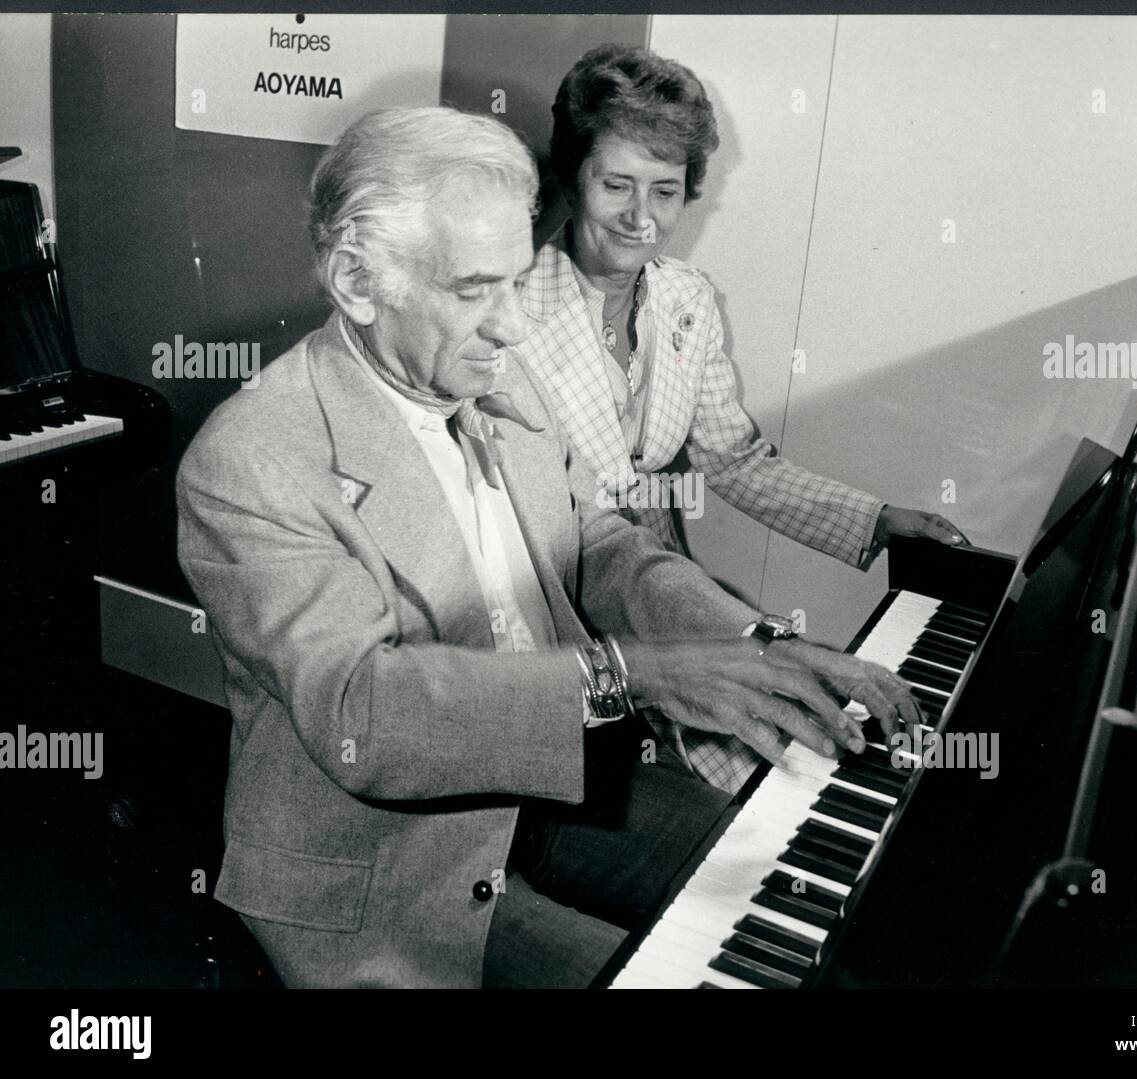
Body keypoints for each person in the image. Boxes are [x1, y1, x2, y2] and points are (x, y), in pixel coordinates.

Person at [176, 105, 925, 988]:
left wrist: (757, 642)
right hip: (393, 863)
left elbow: (600, 546)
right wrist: (628, 674)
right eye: (472, 290)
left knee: (828, 896)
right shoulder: (254, 456)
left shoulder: (495, 375)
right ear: (355, 280)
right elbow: (361, 716)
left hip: (560, 778)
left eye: (516, 282)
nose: (513, 325)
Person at [511, 43, 969, 794]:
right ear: (569, 178)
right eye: (615, 184)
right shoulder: (508, 310)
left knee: (775, 776)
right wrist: (749, 642)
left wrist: (878, 519)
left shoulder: (687, 300)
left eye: (665, 191)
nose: (641, 216)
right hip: (556, 613)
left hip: (660, 581)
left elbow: (735, 459)